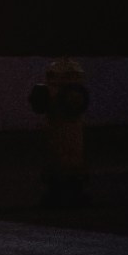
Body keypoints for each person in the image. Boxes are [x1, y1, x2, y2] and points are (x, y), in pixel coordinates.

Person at [31, 53, 90, 209]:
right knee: (70, 155)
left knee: (61, 154)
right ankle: (72, 183)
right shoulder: (74, 94)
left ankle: (59, 185)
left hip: (56, 132)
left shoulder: (54, 88)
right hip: (68, 135)